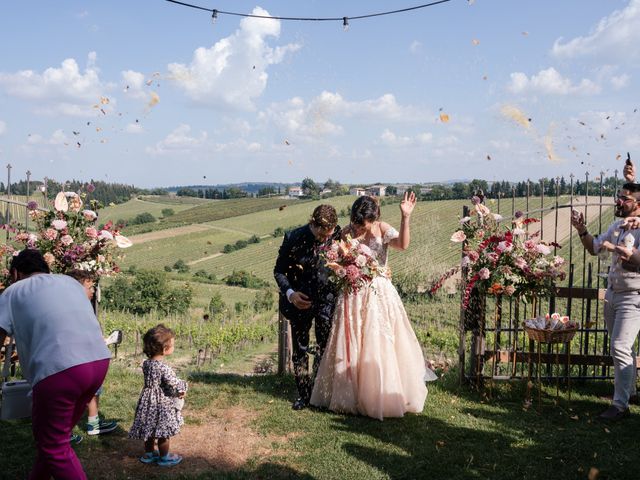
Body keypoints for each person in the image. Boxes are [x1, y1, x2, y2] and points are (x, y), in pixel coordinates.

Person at [311, 193, 433, 420]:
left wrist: (405, 217)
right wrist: (340, 269)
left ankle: (380, 395)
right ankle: (351, 395)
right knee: (352, 342)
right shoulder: (346, 232)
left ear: (373, 219)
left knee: (378, 342)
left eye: (362, 225)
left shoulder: (382, 228)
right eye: (355, 224)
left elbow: (403, 245)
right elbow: (335, 260)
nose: (357, 229)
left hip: (379, 293)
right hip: (352, 294)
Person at [0, 249, 111, 479]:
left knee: (54, 446)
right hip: (98, 361)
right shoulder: (69, 283)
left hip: (60, 369)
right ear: (46, 269)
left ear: (15, 273)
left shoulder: (12, 292)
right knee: (51, 439)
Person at [571, 180, 640, 421]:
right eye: (618, 196)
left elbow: (638, 261)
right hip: (612, 294)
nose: (618, 201)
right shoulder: (618, 225)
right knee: (624, 348)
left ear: (638, 205)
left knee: (619, 346)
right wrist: (581, 230)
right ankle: (630, 393)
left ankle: (619, 406)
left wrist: (615, 248)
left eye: (625, 199)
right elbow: (594, 248)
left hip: (634, 297)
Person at [274, 204, 340, 410]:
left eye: (328, 235)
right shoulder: (293, 237)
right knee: (300, 349)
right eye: (321, 234)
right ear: (312, 223)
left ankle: (319, 394)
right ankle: (303, 394)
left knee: (324, 346)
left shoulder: (338, 235)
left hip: (326, 300)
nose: (324, 239)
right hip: (299, 301)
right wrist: (291, 294)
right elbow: (279, 271)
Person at [65, 269, 118, 438]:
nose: (93, 291)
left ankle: (93, 423)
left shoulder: (83, 307)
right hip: (78, 359)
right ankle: (66, 432)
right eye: (90, 287)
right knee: (74, 396)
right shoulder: (73, 310)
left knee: (94, 391)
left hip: (88, 357)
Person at [129, 324, 187, 467]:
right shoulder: (163, 367)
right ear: (165, 349)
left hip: (147, 400)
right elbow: (173, 383)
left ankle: (149, 455)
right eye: (172, 344)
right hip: (161, 402)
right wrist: (182, 388)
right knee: (163, 431)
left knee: (149, 430)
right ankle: (164, 457)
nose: (174, 346)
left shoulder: (147, 363)